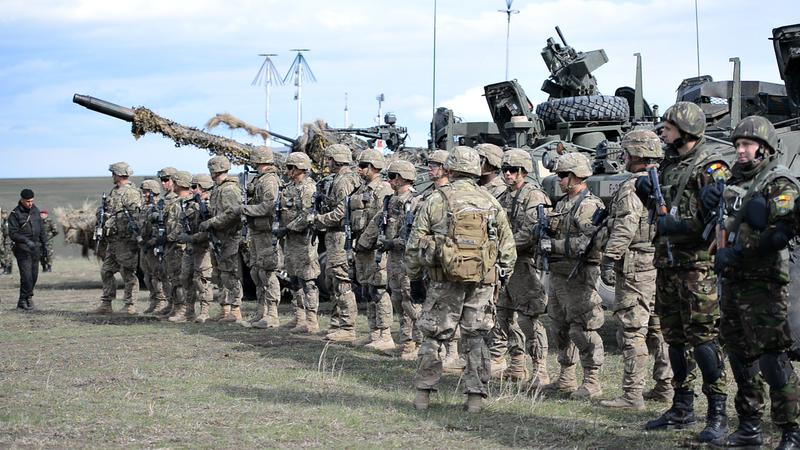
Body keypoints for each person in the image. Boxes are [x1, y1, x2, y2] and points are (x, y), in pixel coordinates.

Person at [700, 116, 800, 448]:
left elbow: (782, 234)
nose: (740, 150)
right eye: (738, 145)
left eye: (747, 145)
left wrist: (742, 251)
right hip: (733, 281)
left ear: (764, 148)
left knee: (772, 357)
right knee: (741, 356)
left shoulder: (779, 181)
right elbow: (721, 224)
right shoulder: (732, 181)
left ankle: (791, 430)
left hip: (764, 282)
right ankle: (749, 427)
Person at [642, 101, 731, 443]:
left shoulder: (711, 165)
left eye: (668, 125)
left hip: (697, 267)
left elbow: (718, 217)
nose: (663, 130)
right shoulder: (670, 163)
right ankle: (681, 407)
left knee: (704, 339)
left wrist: (679, 225)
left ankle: (718, 414)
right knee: (674, 338)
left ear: (686, 129)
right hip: (668, 263)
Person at [406, 145, 516, 413]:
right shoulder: (491, 202)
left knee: (433, 336)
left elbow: (414, 245)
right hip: (482, 282)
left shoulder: (436, 199)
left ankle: (423, 396)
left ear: (450, 168)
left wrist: (414, 278)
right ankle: (475, 399)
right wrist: (499, 277)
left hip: (444, 281)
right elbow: (508, 249)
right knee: (477, 337)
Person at [597, 130, 671, 410]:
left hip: (634, 265)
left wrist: (609, 258)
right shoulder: (659, 183)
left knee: (631, 329)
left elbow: (626, 224)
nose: (623, 157)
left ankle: (632, 394)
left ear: (637, 155)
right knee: (656, 327)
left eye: (627, 152)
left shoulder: (632, 186)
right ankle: (665, 387)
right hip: (655, 262)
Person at [541, 152, 606, 400]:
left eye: (563, 175)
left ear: (576, 176)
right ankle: (566, 378)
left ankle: (591, 382)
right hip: (559, 274)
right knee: (559, 326)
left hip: (578, 276)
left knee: (583, 328)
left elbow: (587, 243)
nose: (559, 179)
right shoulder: (562, 203)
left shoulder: (589, 205)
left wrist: (554, 247)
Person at [488, 148, 551, 386]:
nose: (508, 175)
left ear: (524, 171)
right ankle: (516, 365)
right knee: (503, 315)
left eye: (513, 170)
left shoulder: (534, 196)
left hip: (524, 264)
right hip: (505, 264)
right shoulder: (504, 197)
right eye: (505, 170)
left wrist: (503, 246)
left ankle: (541, 370)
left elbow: (532, 231)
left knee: (529, 317)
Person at [368, 159, 422, 360]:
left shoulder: (416, 201)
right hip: (393, 258)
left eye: (392, 177)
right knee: (398, 299)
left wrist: (393, 243)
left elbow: (414, 235)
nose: (389, 181)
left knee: (412, 302)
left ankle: (419, 343)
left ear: (400, 179)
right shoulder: (390, 200)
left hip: (408, 259)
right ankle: (407, 343)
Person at [312, 144, 363, 343]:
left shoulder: (343, 181)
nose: (328, 163)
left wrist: (318, 219)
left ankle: (347, 327)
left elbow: (342, 213)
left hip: (340, 236)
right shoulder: (343, 179)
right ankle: (337, 324)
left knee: (342, 282)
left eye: (330, 159)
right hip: (335, 236)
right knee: (333, 279)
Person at [351, 149, 394, 350]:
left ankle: (385, 334)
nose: (359, 170)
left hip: (375, 248)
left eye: (363, 166)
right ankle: (373, 333)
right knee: (367, 290)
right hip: (361, 247)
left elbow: (380, 219)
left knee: (379, 290)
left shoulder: (383, 189)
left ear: (374, 167)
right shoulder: (361, 190)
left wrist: (367, 241)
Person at [235, 147, 282, 328]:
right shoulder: (259, 179)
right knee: (256, 271)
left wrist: (245, 210)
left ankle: (272, 314)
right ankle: (261, 312)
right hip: (257, 232)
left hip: (266, 232)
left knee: (268, 273)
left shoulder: (269, 180)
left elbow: (269, 206)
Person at [274, 152, 320, 334]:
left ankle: (311, 320)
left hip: (304, 240)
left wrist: (288, 228)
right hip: (291, 241)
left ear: (301, 168)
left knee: (307, 279)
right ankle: (299, 317)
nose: (288, 171)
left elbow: (308, 215)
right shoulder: (289, 188)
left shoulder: (308, 189)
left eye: (291, 167)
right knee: (293, 279)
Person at [92, 162, 144, 315]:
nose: (112, 176)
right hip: (113, 240)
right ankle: (106, 303)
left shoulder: (131, 193)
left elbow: (136, 216)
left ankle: (130, 305)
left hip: (126, 241)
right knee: (106, 270)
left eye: (113, 173)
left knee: (128, 272)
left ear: (119, 174)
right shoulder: (114, 191)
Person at [199, 156, 245, 323]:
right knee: (221, 274)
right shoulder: (218, 189)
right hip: (219, 237)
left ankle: (235, 310)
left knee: (230, 274)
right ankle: (225, 309)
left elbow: (233, 213)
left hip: (229, 237)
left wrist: (211, 222)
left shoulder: (228, 189)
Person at [163, 171, 194, 322]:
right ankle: (177, 306)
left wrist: (168, 238)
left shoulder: (188, 202)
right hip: (172, 246)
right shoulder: (176, 202)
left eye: (174, 182)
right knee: (174, 278)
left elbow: (181, 226)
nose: (171, 185)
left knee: (182, 280)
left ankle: (184, 309)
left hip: (181, 246)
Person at [8, 189, 47, 310]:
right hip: (22, 248)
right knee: (26, 276)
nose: (30, 204)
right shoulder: (15, 214)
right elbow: (12, 234)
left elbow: (41, 228)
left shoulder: (35, 210)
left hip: (35, 248)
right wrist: (26, 241)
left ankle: (28, 298)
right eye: (28, 201)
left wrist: (45, 245)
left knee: (34, 276)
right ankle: (22, 300)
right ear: (22, 200)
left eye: (32, 201)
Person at [139, 179, 168, 314]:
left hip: (154, 245)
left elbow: (161, 227)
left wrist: (154, 241)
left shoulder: (159, 206)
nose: (144, 195)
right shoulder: (144, 207)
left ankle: (161, 302)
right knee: (147, 276)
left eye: (147, 192)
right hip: (145, 246)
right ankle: (154, 301)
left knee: (157, 276)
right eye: (143, 192)